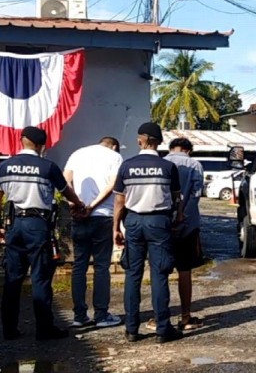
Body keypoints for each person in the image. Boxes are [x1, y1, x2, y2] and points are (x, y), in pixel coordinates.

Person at [0, 126, 86, 341]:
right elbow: (66, 191)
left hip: (14, 224)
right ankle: (44, 329)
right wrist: (78, 204)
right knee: (40, 277)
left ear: (21, 141)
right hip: (37, 225)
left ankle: (9, 329)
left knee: (13, 277)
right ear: (41, 146)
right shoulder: (47, 167)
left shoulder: (5, 166)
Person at [113, 122, 184, 343]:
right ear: (159, 142)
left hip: (133, 221)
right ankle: (163, 329)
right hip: (159, 222)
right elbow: (177, 198)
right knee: (159, 275)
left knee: (133, 275)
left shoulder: (127, 166)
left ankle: (131, 330)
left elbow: (119, 201)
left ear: (140, 140)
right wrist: (178, 217)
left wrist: (115, 227)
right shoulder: (167, 167)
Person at [63, 137, 123, 328]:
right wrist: (92, 206)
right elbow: (113, 185)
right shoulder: (114, 157)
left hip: (78, 216)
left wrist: (74, 204)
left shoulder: (77, 153)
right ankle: (101, 315)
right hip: (103, 216)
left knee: (79, 266)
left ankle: (79, 316)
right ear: (114, 146)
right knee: (101, 267)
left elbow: (65, 182)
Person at [145, 138, 204, 331]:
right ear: (189, 150)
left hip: (161, 223)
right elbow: (195, 195)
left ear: (170, 148)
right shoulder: (195, 164)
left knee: (159, 272)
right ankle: (185, 317)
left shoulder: (162, 163)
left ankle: (158, 317)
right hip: (187, 225)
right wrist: (183, 218)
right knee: (185, 271)